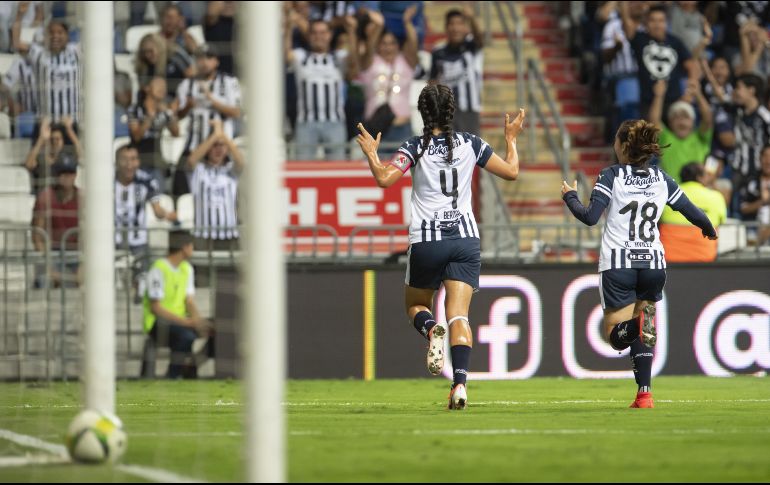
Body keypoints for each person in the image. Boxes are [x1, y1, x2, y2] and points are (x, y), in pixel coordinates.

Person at [355, 83, 525, 410]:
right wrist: (511, 139)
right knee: (459, 315)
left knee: (416, 307)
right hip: (464, 239)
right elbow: (512, 171)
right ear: (452, 111)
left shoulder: (415, 146)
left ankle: (433, 330)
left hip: (427, 240)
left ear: (422, 112)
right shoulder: (471, 144)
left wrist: (373, 155)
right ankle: (460, 384)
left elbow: (385, 179)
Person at [561, 119, 717, 408]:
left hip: (619, 262)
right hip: (653, 263)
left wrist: (570, 196)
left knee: (615, 336)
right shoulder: (662, 179)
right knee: (644, 326)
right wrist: (708, 227)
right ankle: (644, 393)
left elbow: (590, 217)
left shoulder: (611, 175)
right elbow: (691, 211)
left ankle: (635, 329)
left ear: (621, 146)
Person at [143, 230, 213, 379]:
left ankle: (191, 367)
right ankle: (172, 376)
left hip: (181, 321)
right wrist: (186, 322)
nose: (193, 250)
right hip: (158, 323)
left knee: (216, 329)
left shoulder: (187, 269)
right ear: (185, 247)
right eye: (192, 246)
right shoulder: (158, 269)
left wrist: (198, 321)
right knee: (186, 337)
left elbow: (189, 301)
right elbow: (155, 307)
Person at [358, 5, 419, 151]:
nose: (388, 47)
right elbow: (369, 48)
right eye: (384, 43)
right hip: (375, 127)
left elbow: (413, 45)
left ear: (398, 46)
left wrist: (407, 24)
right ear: (378, 46)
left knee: (404, 172)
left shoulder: (405, 62)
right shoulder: (370, 63)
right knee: (375, 170)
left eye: (392, 43)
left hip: (402, 127)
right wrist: (379, 27)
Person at [186, 119, 244, 251]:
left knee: (228, 271)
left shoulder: (231, 170)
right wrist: (214, 136)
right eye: (214, 145)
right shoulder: (198, 171)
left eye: (222, 146)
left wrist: (222, 134)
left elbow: (241, 162)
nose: (218, 149)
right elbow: (191, 160)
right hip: (203, 235)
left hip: (229, 235)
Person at [429, 7, 484, 134]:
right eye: (452, 24)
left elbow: (480, 39)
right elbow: (432, 80)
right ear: (446, 27)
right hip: (445, 112)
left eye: (460, 24)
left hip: (469, 111)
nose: (455, 28)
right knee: (447, 151)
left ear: (465, 27)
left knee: (470, 150)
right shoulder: (438, 52)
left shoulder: (472, 47)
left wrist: (472, 19)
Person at [649, 79, 713, 184]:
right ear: (670, 123)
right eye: (676, 118)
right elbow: (654, 120)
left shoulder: (700, 138)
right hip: (673, 194)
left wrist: (698, 94)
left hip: (698, 190)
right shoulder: (665, 138)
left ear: (693, 122)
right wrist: (658, 96)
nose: (681, 122)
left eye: (686, 117)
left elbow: (708, 119)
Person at [659, 162, 726, 261]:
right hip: (705, 257)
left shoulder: (666, 194)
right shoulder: (716, 197)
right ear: (699, 177)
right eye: (706, 174)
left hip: (669, 257)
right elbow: (722, 221)